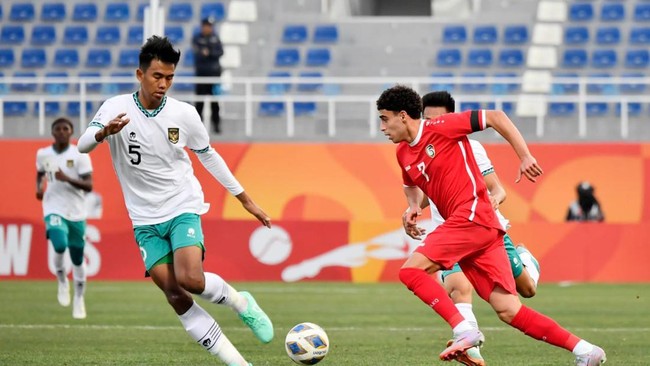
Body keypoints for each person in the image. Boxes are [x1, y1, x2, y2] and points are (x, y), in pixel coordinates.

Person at [78, 36, 272, 366]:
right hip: (143, 218)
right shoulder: (115, 107)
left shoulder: (184, 114)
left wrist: (245, 199)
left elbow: (208, 156)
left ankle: (241, 302)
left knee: (191, 279)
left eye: (169, 77)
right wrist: (102, 133)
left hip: (181, 205)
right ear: (140, 75)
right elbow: (83, 145)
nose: (163, 84)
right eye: (157, 76)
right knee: (174, 294)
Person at [377, 85, 606, 366]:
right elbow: (411, 184)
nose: (382, 127)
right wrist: (413, 207)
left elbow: (496, 116)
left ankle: (465, 330)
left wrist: (524, 156)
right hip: (474, 228)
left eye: (385, 119)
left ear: (402, 116)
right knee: (509, 309)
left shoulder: (444, 126)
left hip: (472, 215)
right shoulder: (403, 153)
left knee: (411, 272)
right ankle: (586, 351)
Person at [401, 91, 540, 366]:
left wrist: (494, 200)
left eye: (437, 119)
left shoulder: (471, 148)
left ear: (451, 118)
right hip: (449, 231)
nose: (431, 125)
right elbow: (422, 190)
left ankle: (526, 260)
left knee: (526, 290)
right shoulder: (414, 148)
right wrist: (413, 208)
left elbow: (498, 189)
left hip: (484, 227)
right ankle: (471, 348)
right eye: (427, 119)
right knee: (458, 286)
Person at [36, 117, 93, 320]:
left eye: (65, 129)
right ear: (53, 132)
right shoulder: (43, 153)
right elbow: (40, 172)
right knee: (59, 245)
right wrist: (38, 189)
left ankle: (79, 297)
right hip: (53, 208)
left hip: (76, 211)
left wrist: (66, 178)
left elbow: (89, 186)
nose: (61, 132)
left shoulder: (80, 155)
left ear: (71, 132)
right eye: (57, 129)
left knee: (77, 258)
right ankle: (61, 280)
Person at [192, 17, 224, 134]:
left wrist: (209, 53)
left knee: (215, 101)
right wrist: (209, 53)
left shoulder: (216, 38)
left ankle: (216, 124)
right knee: (199, 102)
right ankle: (197, 127)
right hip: (201, 75)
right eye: (206, 26)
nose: (208, 28)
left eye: (210, 26)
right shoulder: (197, 38)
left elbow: (220, 52)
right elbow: (198, 53)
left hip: (214, 75)